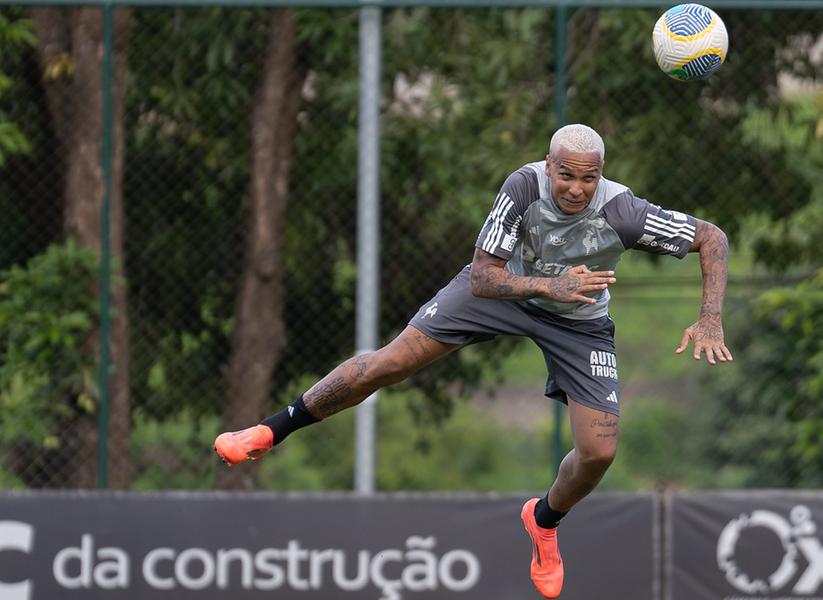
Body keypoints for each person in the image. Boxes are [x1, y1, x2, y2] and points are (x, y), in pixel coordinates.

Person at [213, 123, 732, 599]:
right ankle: (269, 431)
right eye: (567, 176)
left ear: (601, 176)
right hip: (502, 291)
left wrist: (709, 317)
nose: (576, 189)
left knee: (598, 452)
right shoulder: (523, 188)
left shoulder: (623, 213)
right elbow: (485, 276)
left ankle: (544, 521)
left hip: (578, 320)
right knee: (389, 364)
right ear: (548, 167)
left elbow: (712, 237)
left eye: (588, 179)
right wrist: (548, 284)